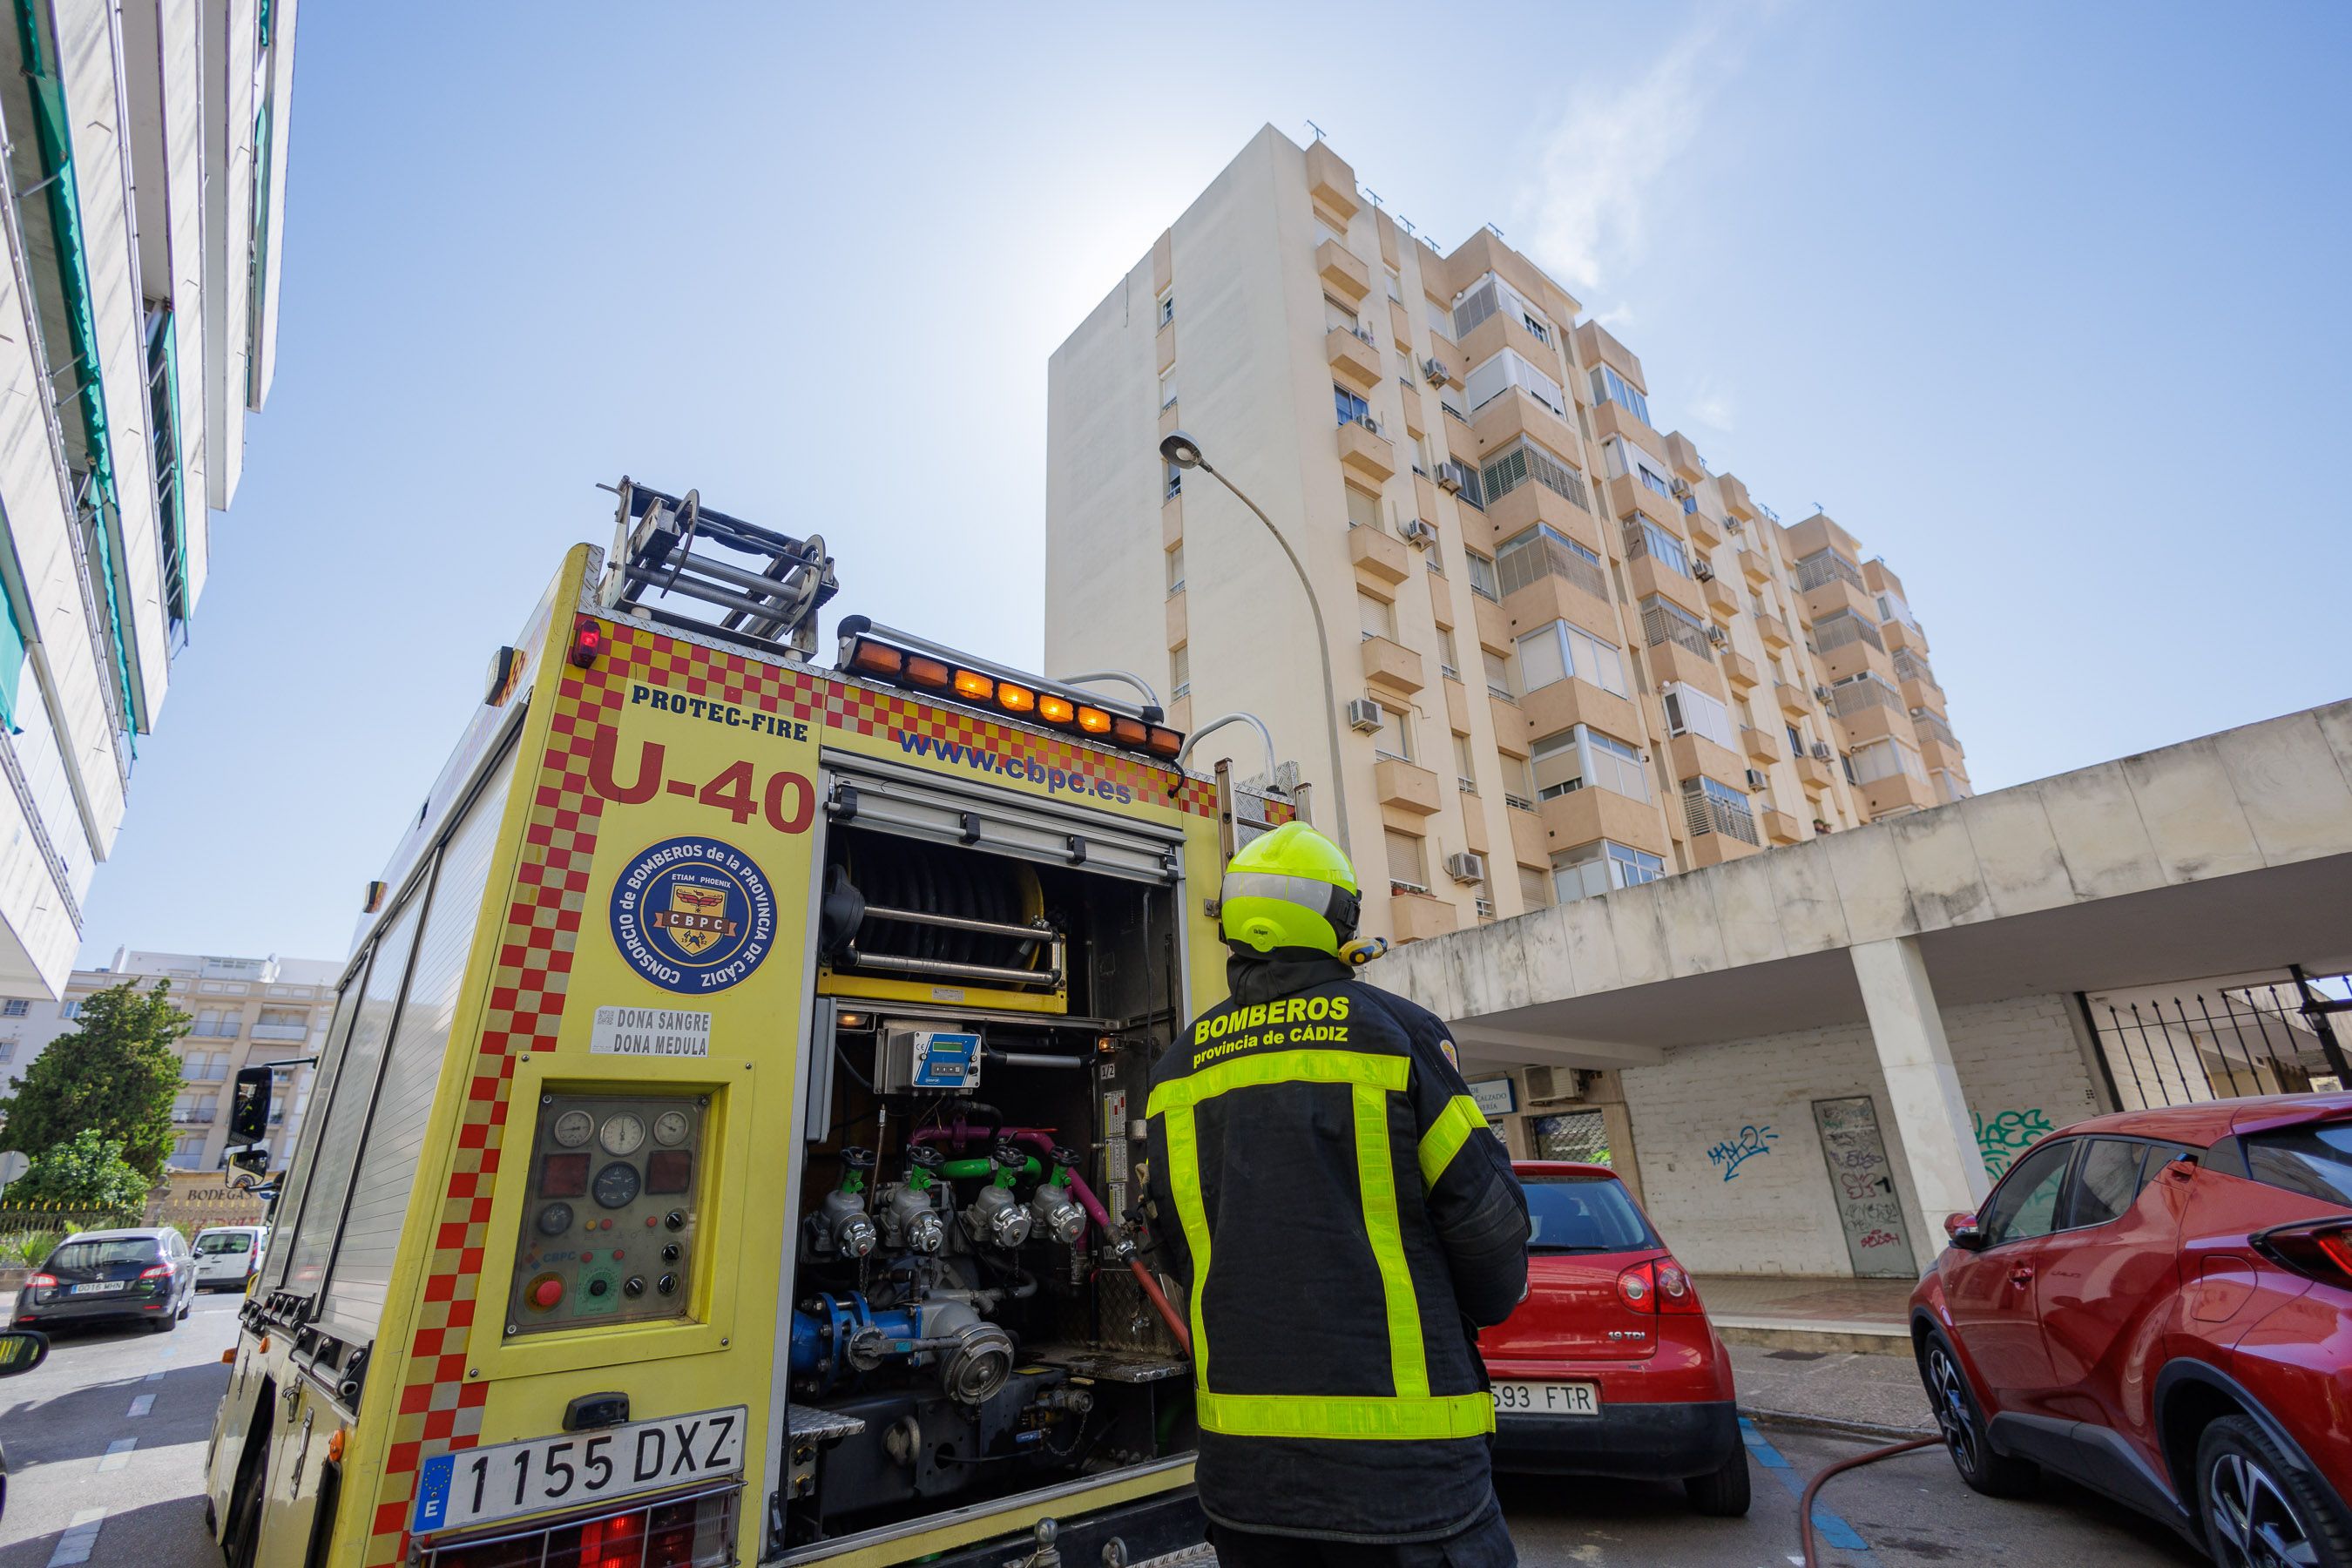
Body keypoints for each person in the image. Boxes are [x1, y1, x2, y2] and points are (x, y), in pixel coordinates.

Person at [1145, 821, 1531, 1566]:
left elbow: (1179, 1251)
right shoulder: (1395, 1036)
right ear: (1338, 921)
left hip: (1248, 1487)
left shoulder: (1177, 1071)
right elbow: (1487, 1230)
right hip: (1411, 1487)